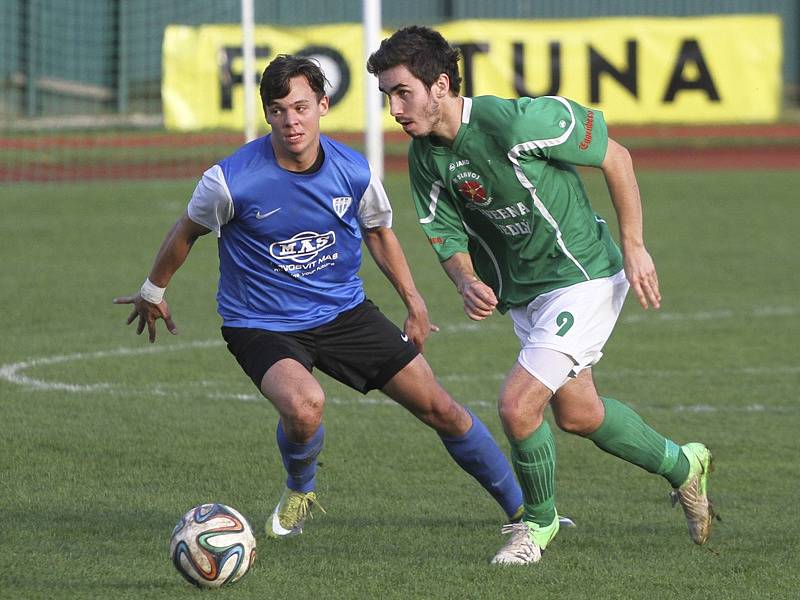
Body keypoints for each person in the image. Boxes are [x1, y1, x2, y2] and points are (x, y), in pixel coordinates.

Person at [114, 55, 523, 542]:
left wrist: (413, 301)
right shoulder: (229, 181)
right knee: (306, 406)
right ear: (267, 113)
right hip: (260, 323)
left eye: (302, 107)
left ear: (324, 106)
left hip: (344, 313)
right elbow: (186, 232)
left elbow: (378, 233)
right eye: (280, 109)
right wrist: (153, 289)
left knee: (441, 409)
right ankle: (300, 489)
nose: (292, 121)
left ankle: (526, 513)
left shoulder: (353, 170)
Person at [367, 26, 715, 565]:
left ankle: (538, 523)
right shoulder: (423, 155)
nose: (393, 108)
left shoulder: (518, 121)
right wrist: (464, 279)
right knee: (579, 415)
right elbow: (445, 233)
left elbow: (616, 157)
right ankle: (683, 465)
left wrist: (635, 245)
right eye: (386, 95)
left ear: (439, 85)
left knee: (517, 405)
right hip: (526, 296)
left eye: (401, 92)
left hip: (585, 276)